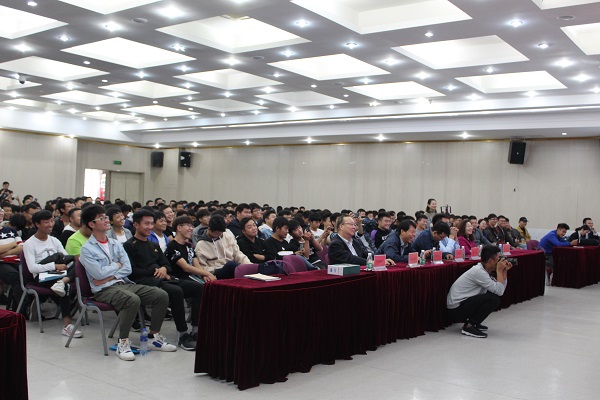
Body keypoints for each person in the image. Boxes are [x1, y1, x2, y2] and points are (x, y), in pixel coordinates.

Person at [79, 206, 176, 360]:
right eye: (102, 218)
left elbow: (127, 268)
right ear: (91, 224)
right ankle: (122, 343)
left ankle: (153, 337)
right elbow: (98, 274)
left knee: (161, 295)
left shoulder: (115, 243)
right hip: (103, 289)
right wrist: (116, 266)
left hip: (123, 283)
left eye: (106, 217)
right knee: (132, 300)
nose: (106, 220)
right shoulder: (87, 249)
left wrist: (110, 274)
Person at [123, 209, 203, 351]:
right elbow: (131, 271)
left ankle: (195, 329)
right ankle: (182, 334)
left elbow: (166, 264)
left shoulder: (154, 246)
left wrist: (164, 269)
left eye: (151, 223)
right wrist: (155, 270)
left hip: (162, 279)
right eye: (146, 224)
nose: (150, 227)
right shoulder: (129, 245)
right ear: (135, 225)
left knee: (199, 288)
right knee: (176, 291)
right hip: (143, 282)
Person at [22, 210, 81, 338]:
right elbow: (32, 268)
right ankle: (67, 326)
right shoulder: (29, 244)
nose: (50, 224)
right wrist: (54, 266)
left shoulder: (54, 240)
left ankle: (62, 282)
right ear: (37, 224)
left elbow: (67, 259)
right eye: (46, 222)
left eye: (52, 221)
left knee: (79, 264)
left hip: (59, 273)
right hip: (42, 276)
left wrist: (63, 266)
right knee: (65, 286)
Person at [447, 245, 512, 338]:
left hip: (462, 304)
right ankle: (469, 326)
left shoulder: (484, 270)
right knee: (493, 299)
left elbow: (499, 288)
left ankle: (474, 322)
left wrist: (503, 273)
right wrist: (499, 271)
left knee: (492, 293)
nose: (500, 263)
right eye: (498, 260)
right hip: (456, 309)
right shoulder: (479, 272)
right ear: (490, 261)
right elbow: (499, 291)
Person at [195, 214, 250, 279]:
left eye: (221, 233)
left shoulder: (226, 236)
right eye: (217, 233)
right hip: (216, 272)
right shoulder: (201, 244)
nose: (219, 235)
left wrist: (249, 265)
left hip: (232, 266)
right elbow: (202, 266)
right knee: (231, 265)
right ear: (209, 229)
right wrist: (213, 271)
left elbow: (237, 254)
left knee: (252, 267)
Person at [329, 215, 395, 266]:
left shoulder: (354, 241)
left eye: (355, 225)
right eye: (351, 224)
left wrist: (382, 259)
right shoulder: (335, 244)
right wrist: (373, 262)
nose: (354, 227)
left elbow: (366, 254)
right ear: (341, 226)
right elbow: (351, 259)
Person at [0, 214, 24, 312]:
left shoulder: (11, 230)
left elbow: (21, 247)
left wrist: (7, 252)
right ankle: (23, 308)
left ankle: (15, 306)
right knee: (16, 277)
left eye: (0, 211)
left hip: (16, 261)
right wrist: (13, 244)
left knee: (30, 274)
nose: (0, 214)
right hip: (1, 263)